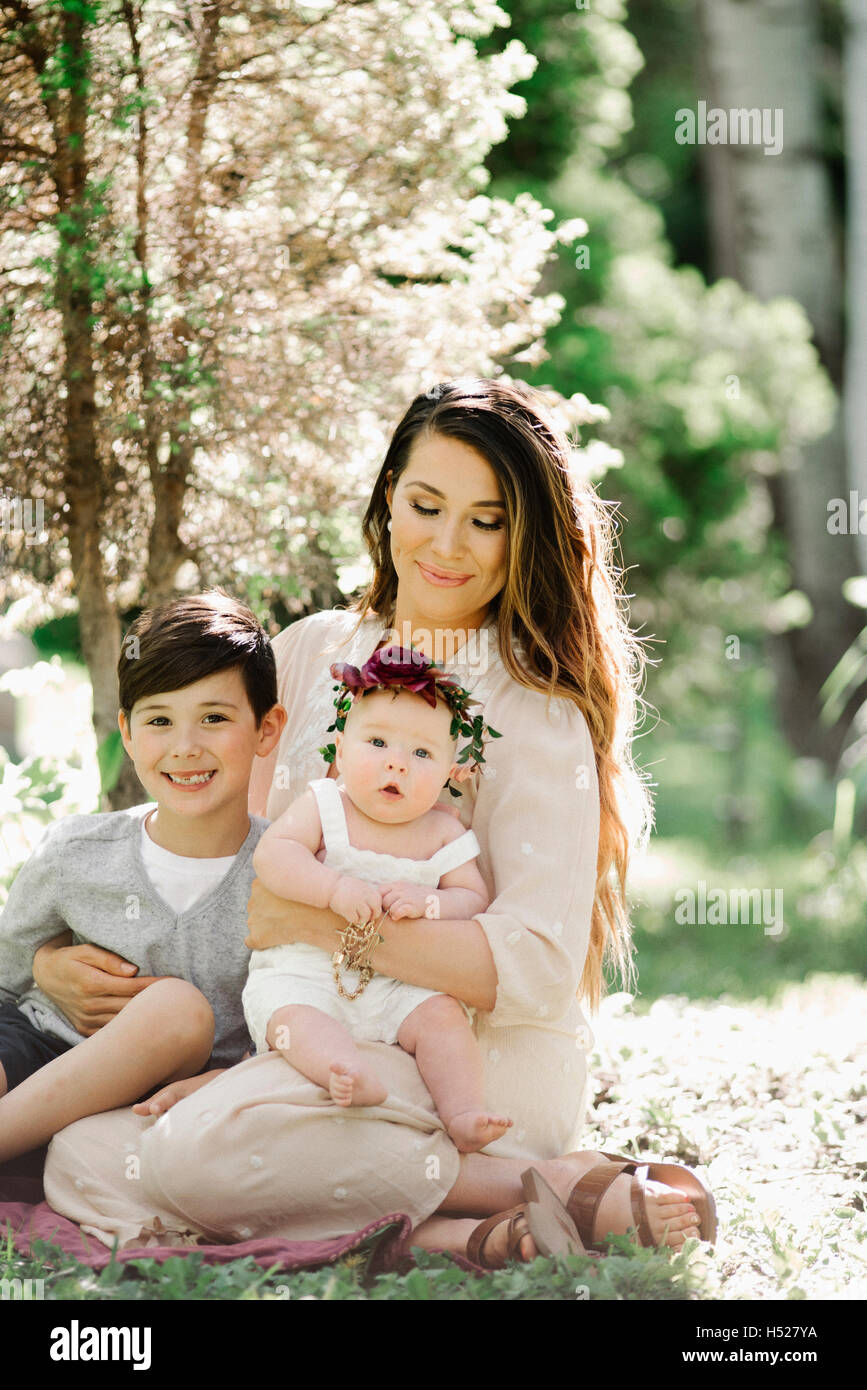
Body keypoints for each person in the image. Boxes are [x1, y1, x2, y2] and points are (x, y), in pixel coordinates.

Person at [39, 379, 713, 1267]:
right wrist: (55, 961)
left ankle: (533, 1175)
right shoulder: (312, 652)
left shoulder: (537, 711)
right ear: (387, 493)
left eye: (487, 519)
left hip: (455, 1062)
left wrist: (316, 921)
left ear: (526, 538)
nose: (446, 544)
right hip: (298, 1034)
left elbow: (538, 969)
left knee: (193, 1154)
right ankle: (475, 1230)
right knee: (82, 1156)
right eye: (426, 504)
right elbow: (209, 850)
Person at [0, 592, 285, 1165]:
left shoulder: (288, 871)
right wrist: (42, 966)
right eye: (160, 720)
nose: (185, 747)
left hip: (178, 1100)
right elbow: (5, 980)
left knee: (178, 1011)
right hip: (40, 1051)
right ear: (127, 733)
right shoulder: (77, 852)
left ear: (266, 729)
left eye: (214, 718)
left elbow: (308, 1015)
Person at [246, 645, 513, 1152]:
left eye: (421, 754)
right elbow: (273, 856)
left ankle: (463, 1113)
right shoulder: (325, 805)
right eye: (377, 742)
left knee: (443, 1020)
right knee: (294, 1017)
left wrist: (428, 902)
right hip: (306, 971)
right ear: (341, 752)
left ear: (449, 772)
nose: (397, 764)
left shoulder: (442, 830)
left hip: (399, 982)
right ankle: (341, 1069)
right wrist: (333, 888)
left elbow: (472, 898)